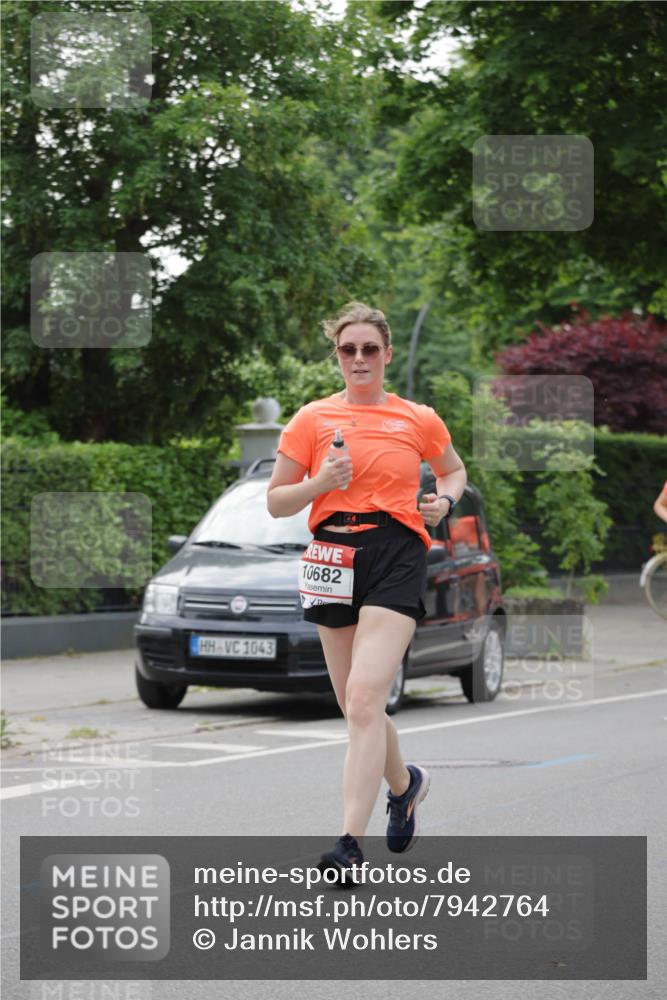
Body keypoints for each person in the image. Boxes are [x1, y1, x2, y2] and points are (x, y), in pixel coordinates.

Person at [266, 301, 467, 881]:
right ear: (337, 355)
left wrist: (443, 502)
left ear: (386, 354)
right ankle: (405, 788)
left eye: (369, 349)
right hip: (331, 552)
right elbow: (277, 500)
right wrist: (319, 483)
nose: (359, 358)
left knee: (363, 700)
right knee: (359, 706)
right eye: (348, 349)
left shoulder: (418, 418)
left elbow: (453, 470)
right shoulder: (311, 419)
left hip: (397, 553)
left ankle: (348, 844)